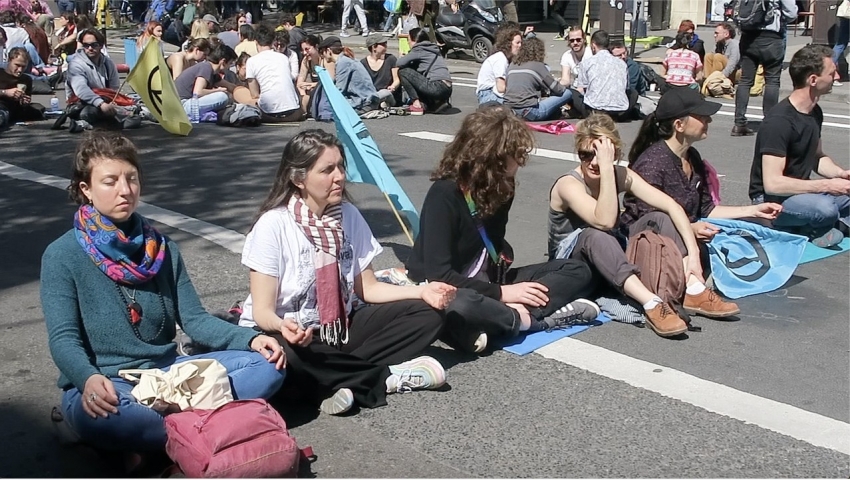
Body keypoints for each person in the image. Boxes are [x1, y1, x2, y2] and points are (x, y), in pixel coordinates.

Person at [41, 131, 285, 456]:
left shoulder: (163, 249)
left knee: (268, 367)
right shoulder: (61, 255)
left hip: (170, 376)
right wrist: (86, 379)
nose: (125, 190)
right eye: (110, 181)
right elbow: (64, 339)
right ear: (85, 189)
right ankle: (213, 428)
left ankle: (170, 440)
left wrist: (251, 340)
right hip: (109, 382)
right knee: (117, 418)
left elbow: (196, 321)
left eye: (131, 179)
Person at [239, 129, 452, 415]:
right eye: (327, 170)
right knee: (282, 357)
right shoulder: (273, 225)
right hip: (287, 333)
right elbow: (262, 312)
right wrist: (283, 327)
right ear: (298, 178)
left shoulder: (349, 215)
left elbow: (369, 288)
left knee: (427, 314)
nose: (339, 176)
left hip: (336, 329)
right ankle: (384, 377)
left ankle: (334, 378)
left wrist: (421, 290)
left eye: (340, 166)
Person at [405, 107, 599, 353]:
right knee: (459, 304)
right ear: (493, 157)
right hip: (452, 287)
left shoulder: (502, 188)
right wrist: (503, 293)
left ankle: (499, 318)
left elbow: (494, 246)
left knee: (577, 269)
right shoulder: (445, 194)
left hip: (489, 283)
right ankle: (527, 320)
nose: (520, 161)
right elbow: (439, 275)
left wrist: (503, 285)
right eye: (516, 154)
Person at [624, 87, 782, 319]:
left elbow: (707, 209)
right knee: (664, 218)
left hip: (683, 236)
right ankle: (693, 288)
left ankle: (696, 281)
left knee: (756, 225)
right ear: (679, 125)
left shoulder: (692, 157)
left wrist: (754, 210)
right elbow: (652, 220)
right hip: (647, 239)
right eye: (701, 116)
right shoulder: (652, 163)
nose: (708, 120)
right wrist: (692, 227)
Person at [549, 113, 705, 337]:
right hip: (573, 268)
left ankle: (692, 286)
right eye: (586, 154)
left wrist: (694, 256)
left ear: (615, 153)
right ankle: (651, 303)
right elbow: (604, 221)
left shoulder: (619, 173)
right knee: (596, 234)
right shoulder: (568, 184)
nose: (593, 162)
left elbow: (672, 206)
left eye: (600, 155)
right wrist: (606, 170)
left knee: (660, 218)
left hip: (611, 260)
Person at [749, 45, 849, 247]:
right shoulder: (779, 121)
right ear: (813, 80)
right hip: (772, 199)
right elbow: (773, 183)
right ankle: (810, 226)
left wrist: (841, 175)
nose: (837, 77)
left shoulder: (814, 112)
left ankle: (821, 227)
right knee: (826, 208)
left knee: (840, 199)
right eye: (832, 73)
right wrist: (826, 186)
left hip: (801, 193)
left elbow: (817, 157)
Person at [731, 0, 797, 136]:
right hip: (771, 37)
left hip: (748, 36)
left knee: (745, 81)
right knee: (772, 80)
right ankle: (769, 123)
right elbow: (792, 12)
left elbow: (725, 7)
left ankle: (739, 123)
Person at [503, 36, 571, 121]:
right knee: (567, 93)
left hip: (509, 110)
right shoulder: (538, 66)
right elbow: (558, 89)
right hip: (529, 112)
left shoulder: (512, 65)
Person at [572, 30, 634, 121]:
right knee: (634, 93)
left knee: (572, 92)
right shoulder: (622, 63)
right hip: (620, 111)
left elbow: (583, 88)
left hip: (594, 110)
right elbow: (626, 87)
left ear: (593, 45)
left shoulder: (586, 63)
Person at [244, 24, 302, 122]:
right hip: (294, 112)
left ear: (256, 42)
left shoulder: (251, 61)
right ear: (272, 42)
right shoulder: (283, 58)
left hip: (268, 113)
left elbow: (255, 94)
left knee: (240, 91)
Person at [64, 28, 121, 125]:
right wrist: (100, 104)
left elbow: (114, 87)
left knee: (128, 115)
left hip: (105, 100)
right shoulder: (75, 64)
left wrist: (112, 102)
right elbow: (81, 90)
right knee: (88, 113)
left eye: (94, 45)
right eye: (86, 45)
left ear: (101, 46)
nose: (90, 48)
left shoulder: (108, 63)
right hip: (81, 104)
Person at [395, 28, 452, 115]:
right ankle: (438, 103)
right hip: (447, 88)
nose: (408, 43)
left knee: (403, 71)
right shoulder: (432, 48)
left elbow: (399, 63)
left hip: (436, 87)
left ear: (414, 40)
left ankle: (416, 103)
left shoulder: (418, 49)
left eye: (409, 40)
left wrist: (402, 56)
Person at [318, 35, 379, 114]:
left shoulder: (343, 62)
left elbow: (339, 90)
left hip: (363, 103)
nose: (322, 56)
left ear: (328, 50)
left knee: (325, 108)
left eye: (322, 52)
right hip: (366, 99)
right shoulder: (347, 59)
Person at [174, 43, 236, 117]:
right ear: (223, 62)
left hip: (187, 103)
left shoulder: (213, 73)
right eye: (230, 63)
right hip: (182, 105)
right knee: (222, 97)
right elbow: (198, 92)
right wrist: (218, 90)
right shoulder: (206, 68)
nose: (229, 67)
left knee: (225, 98)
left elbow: (229, 86)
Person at [475, 24, 522, 105]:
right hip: (488, 95)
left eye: (521, 42)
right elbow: (501, 88)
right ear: (508, 44)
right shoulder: (501, 59)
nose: (520, 46)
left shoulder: (505, 58)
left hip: (492, 93)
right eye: (517, 43)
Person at [0, 47, 45, 128]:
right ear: (9, 60)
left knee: (37, 111)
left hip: (12, 111)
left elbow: (24, 103)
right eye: (17, 65)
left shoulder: (26, 80)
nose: (20, 70)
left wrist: (24, 102)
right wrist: (5, 92)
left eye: (23, 67)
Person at [702, 22, 740, 99]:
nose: (714, 35)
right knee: (708, 56)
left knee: (718, 56)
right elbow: (711, 59)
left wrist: (718, 77)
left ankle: (715, 85)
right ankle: (708, 84)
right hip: (721, 73)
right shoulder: (718, 44)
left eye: (717, 33)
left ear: (726, 34)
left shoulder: (735, 45)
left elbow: (731, 66)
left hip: (736, 72)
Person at [361, 33, 401, 107]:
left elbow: (397, 79)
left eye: (386, 43)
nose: (386, 45)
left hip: (387, 93)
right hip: (372, 94)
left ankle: (378, 103)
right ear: (374, 47)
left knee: (384, 93)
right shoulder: (363, 63)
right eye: (383, 44)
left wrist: (393, 86)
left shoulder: (391, 59)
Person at [296, 33, 322, 113]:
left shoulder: (324, 60)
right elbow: (300, 80)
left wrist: (311, 85)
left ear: (316, 47)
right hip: (312, 89)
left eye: (307, 49)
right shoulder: (306, 61)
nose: (304, 53)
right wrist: (303, 93)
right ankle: (305, 106)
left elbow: (329, 81)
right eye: (302, 50)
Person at [834, 15, 849, 86]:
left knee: (840, 44)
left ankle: (830, 72)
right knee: (840, 44)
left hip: (845, 16)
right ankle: (831, 73)